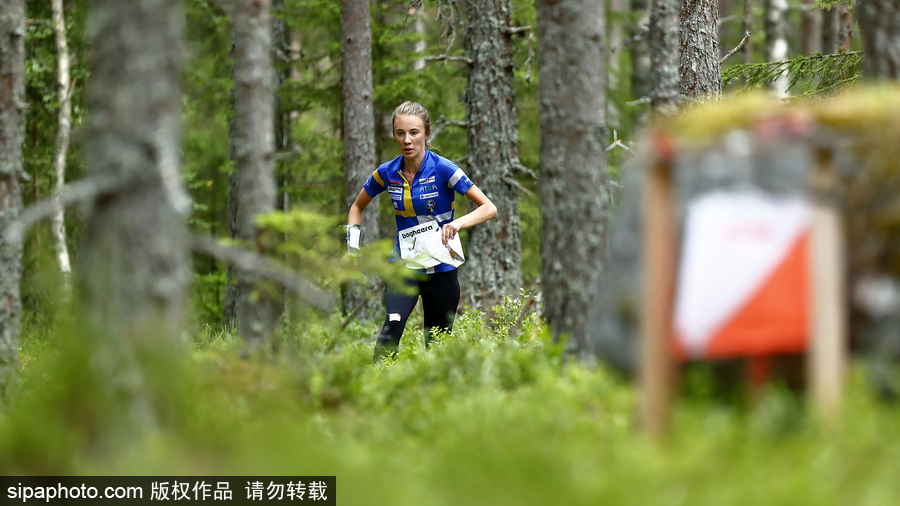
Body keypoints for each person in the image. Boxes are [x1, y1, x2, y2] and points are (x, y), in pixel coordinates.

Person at [347, 101, 497, 361]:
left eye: (414, 132)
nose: (407, 140)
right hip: (402, 265)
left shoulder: (444, 169)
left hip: (441, 268)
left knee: (437, 342)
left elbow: (488, 207)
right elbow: (357, 207)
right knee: (391, 327)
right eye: (400, 133)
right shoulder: (386, 172)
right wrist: (352, 248)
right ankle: (377, 389)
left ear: (426, 133)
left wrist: (458, 223)